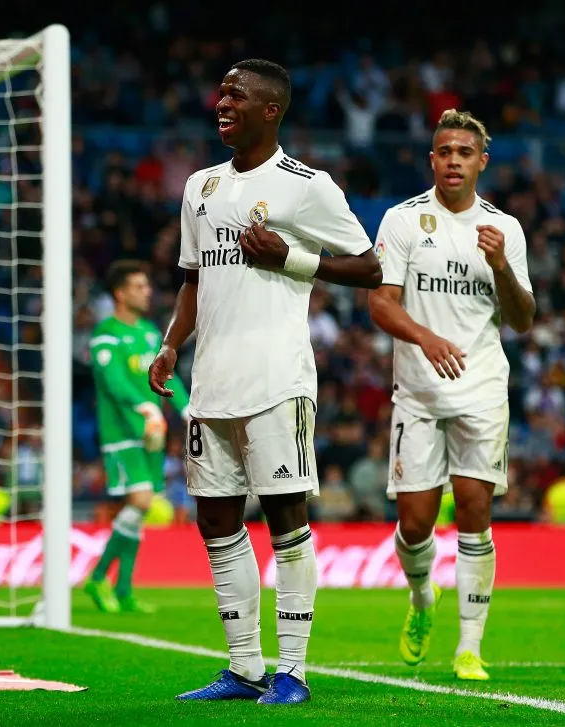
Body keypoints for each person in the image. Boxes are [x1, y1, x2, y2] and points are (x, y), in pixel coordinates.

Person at [148, 58, 381, 705]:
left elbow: (371, 266)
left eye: (236, 94)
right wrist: (172, 345)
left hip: (278, 379)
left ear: (270, 109)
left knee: (286, 519)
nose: (221, 101)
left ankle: (294, 671)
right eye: (220, 91)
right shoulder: (199, 186)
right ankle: (245, 665)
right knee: (216, 521)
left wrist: (293, 257)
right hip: (211, 382)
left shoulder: (305, 187)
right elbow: (193, 278)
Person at [367, 109, 535, 681]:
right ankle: (420, 600)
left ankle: (470, 647)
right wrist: (426, 336)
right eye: (444, 152)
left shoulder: (504, 229)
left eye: (465, 152)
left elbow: (523, 318)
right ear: (432, 159)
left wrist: (502, 269)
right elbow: (380, 302)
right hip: (417, 391)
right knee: (414, 522)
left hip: (483, 387)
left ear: (482, 161)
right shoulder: (403, 220)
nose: (454, 161)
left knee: (474, 511)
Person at [83, 260, 190, 614]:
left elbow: (167, 374)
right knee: (142, 501)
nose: (147, 292)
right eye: (139, 286)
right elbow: (112, 382)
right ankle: (98, 577)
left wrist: (187, 408)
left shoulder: (147, 333)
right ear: (120, 292)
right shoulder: (105, 335)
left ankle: (124, 589)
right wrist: (142, 407)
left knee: (139, 508)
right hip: (122, 432)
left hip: (152, 433)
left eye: (147, 286)